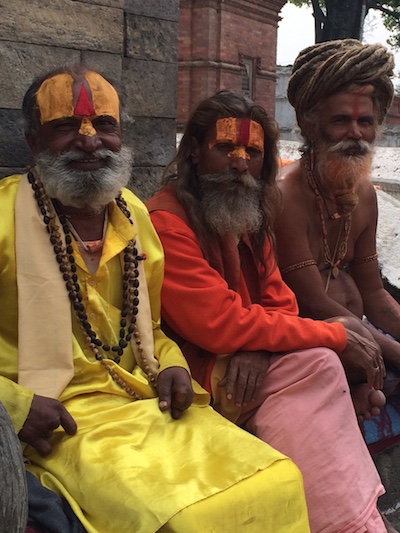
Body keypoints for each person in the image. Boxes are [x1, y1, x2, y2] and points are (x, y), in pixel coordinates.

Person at [0, 67, 311, 533]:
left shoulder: (134, 213)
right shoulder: (4, 217)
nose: (90, 141)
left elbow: (154, 330)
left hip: (145, 402)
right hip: (59, 421)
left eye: (105, 125)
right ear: (32, 140)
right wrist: (17, 408)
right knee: (185, 518)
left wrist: (171, 366)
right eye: (66, 127)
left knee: (279, 479)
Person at [146, 89, 396, 533]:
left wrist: (259, 348)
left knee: (326, 362)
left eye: (252, 151)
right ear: (195, 154)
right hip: (193, 368)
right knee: (320, 359)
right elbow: (220, 324)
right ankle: (351, 523)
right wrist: (337, 334)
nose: (240, 162)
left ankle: (354, 518)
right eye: (225, 148)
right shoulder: (167, 221)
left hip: (248, 355)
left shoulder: (251, 210)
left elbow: (279, 300)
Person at [274, 40, 400, 433]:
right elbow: (312, 303)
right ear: (311, 124)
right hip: (311, 335)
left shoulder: (364, 192)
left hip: (361, 328)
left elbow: (375, 293)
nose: (356, 133)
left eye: (366, 123)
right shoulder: (284, 195)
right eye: (341, 120)